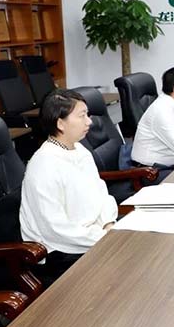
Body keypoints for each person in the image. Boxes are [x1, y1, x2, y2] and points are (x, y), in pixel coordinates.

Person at [20, 89, 118, 285]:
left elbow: (101, 193)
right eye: (82, 116)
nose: (89, 122)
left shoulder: (79, 150)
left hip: (92, 235)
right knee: (122, 270)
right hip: (61, 250)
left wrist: (108, 224)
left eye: (87, 115)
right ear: (60, 123)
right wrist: (103, 237)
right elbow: (55, 229)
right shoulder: (44, 165)